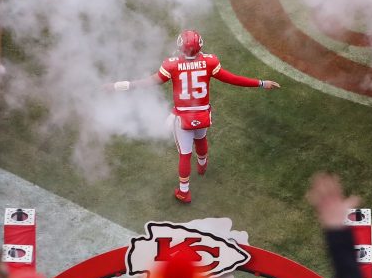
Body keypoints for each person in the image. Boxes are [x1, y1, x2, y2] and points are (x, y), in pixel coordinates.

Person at [111, 30, 280, 203]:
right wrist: (261, 83)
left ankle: (184, 192)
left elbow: (146, 83)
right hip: (202, 113)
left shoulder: (171, 65)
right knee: (201, 138)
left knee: (185, 154)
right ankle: (202, 165)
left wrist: (117, 86)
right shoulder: (209, 61)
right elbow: (232, 79)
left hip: (183, 117)